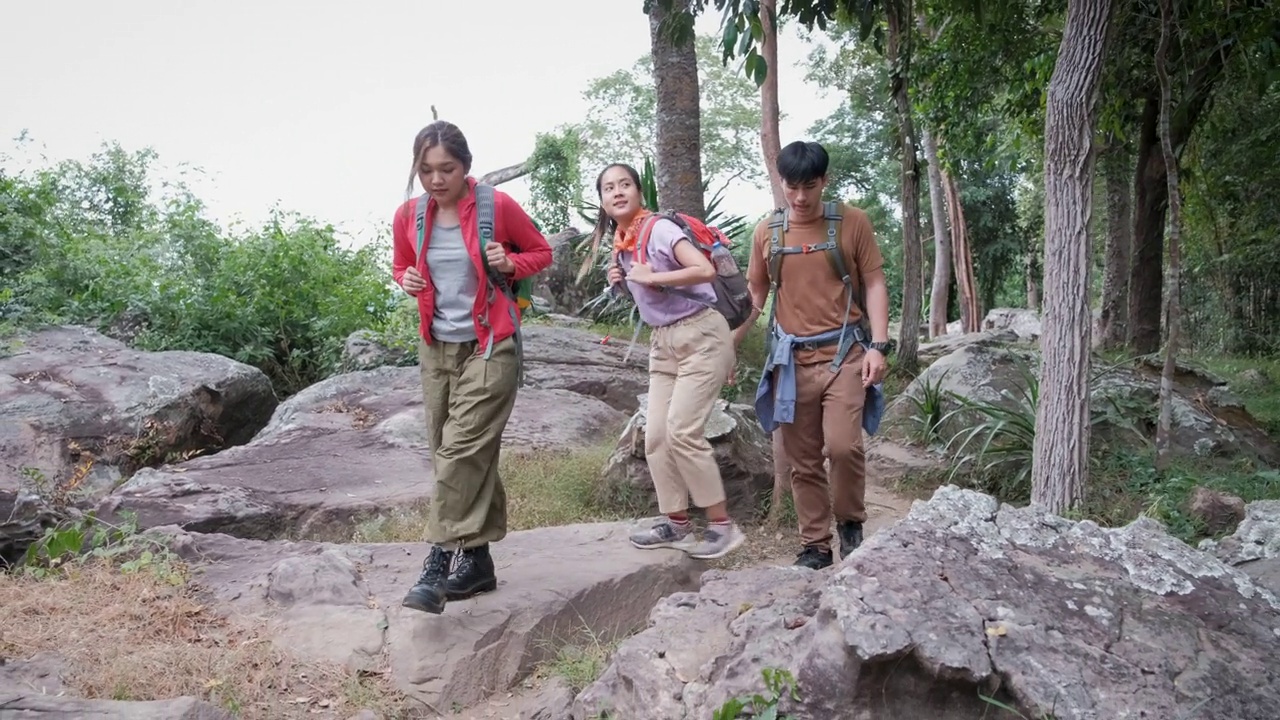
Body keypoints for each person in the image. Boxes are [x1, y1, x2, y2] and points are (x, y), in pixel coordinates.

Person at [391, 121, 553, 614]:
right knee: (454, 451)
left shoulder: (494, 207)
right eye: (426, 170)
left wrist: (510, 264)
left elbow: (540, 252)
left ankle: (438, 563)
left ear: (466, 166)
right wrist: (408, 279)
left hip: (492, 342)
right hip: (437, 349)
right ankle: (478, 563)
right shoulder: (408, 216)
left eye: (447, 169)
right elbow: (400, 266)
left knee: (459, 451)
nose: (436, 180)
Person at [741, 140, 892, 570]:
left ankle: (850, 524)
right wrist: (732, 338)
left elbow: (876, 283)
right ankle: (815, 547)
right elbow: (757, 293)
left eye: (810, 186)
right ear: (782, 183)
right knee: (802, 459)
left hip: (844, 354)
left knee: (843, 447)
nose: (801, 197)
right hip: (790, 361)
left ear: (824, 181)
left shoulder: (852, 223)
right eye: (792, 187)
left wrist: (878, 346)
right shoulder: (766, 232)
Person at [593, 162, 745, 560]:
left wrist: (651, 278)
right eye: (609, 188)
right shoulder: (623, 244)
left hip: (701, 335)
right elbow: (648, 299)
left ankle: (721, 527)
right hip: (664, 344)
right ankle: (676, 524)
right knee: (656, 435)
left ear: (640, 192)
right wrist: (623, 285)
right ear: (603, 202)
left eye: (625, 184)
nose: (618, 192)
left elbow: (704, 269)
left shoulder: (659, 229)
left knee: (682, 430)